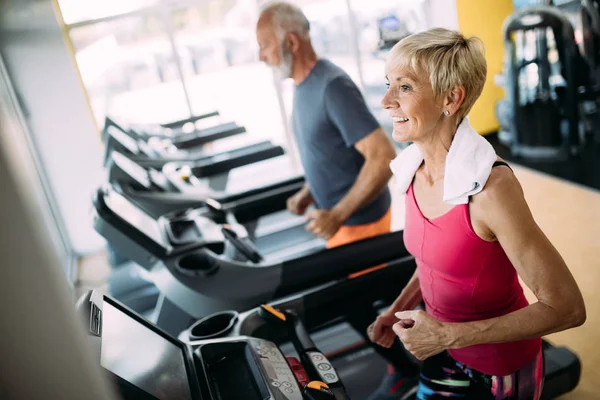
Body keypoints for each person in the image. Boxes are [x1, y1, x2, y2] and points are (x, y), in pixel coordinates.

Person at [368, 28, 586, 399]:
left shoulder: (491, 190)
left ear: (451, 98)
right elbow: (435, 261)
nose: (387, 101)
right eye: (389, 84)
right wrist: (397, 309)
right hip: (442, 350)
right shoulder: (411, 171)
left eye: (404, 87)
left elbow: (566, 307)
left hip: (499, 370)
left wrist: (447, 333)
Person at [255, 2, 397, 252]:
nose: (261, 57)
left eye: (265, 46)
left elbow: (383, 157)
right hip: (340, 223)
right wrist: (309, 192)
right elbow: (331, 152)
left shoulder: (333, 87)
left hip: (360, 225)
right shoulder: (303, 85)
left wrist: (337, 214)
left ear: (291, 43)